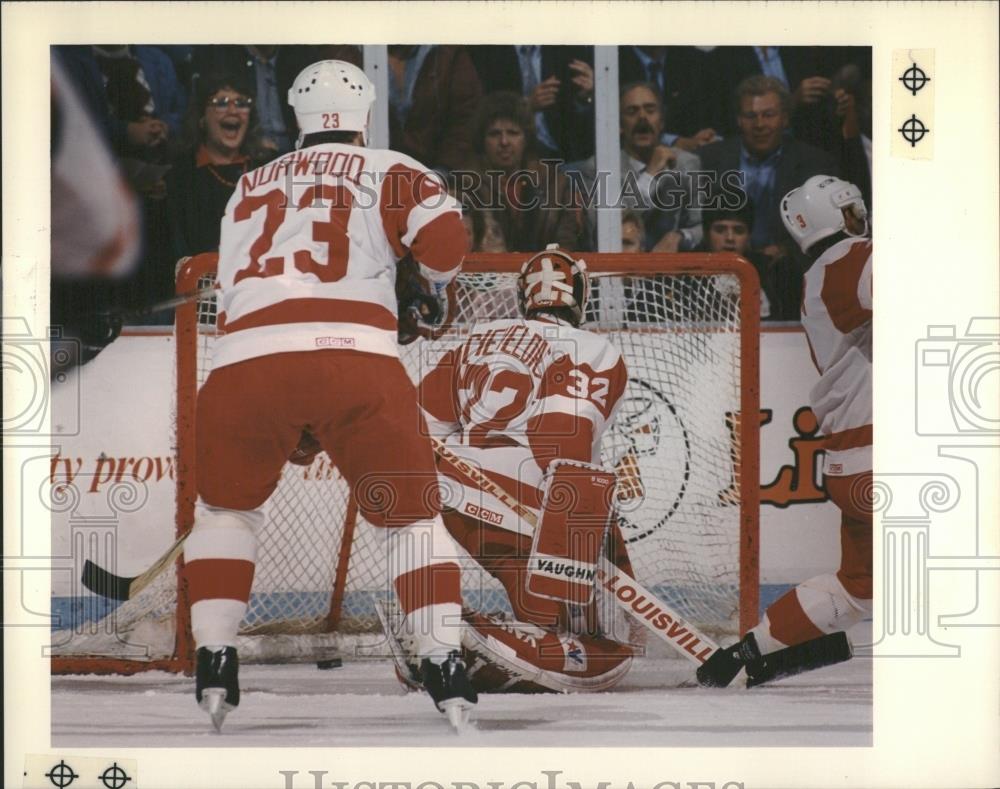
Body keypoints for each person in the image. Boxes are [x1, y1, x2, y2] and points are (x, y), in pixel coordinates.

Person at [182, 60, 476, 730]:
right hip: (355, 363)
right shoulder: (393, 167)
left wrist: (296, 409)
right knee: (409, 520)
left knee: (226, 513)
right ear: (366, 114)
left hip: (243, 368)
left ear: (295, 117)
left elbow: (242, 293)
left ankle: (216, 661)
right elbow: (447, 251)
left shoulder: (247, 183)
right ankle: (442, 660)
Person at [412, 245, 635, 694]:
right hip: (535, 501)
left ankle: (449, 639)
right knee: (609, 637)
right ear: (580, 296)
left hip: (457, 496)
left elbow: (420, 426)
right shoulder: (595, 348)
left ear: (524, 296)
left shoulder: (477, 338)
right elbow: (564, 442)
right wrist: (574, 534)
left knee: (530, 595)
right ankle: (554, 633)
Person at [701, 175, 872, 685]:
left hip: (855, 465)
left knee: (858, 588)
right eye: (854, 209)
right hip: (888, 454)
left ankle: (740, 657)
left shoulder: (822, 272)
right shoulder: (851, 259)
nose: (862, 217)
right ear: (842, 215)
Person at [571, 83, 703, 252]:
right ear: (619, 125)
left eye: (650, 110)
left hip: (672, 271)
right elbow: (606, 230)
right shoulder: (597, 168)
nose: (642, 117)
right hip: (619, 268)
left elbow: (701, 226)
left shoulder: (686, 163)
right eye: (632, 112)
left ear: (661, 122)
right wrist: (650, 175)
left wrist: (680, 236)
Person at [458, 92, 588, 252]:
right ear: (482, 140)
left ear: (526, 138)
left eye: (513, 133)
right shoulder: (464, 186)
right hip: (488, 274)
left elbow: (568, 242)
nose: (504, 142)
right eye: (494, 134)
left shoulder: (556, 184)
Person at [166, 71, 273, 261]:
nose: (233, 110)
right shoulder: (180, 176)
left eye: (241, 103)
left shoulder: (268, 169)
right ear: (202, 118)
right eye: (221, 103)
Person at [469, 45, 595, 162]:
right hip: (510, 158)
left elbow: (583, 125)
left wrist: (587, 98)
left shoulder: (566, 49)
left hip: (563, 156)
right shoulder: (487, 50)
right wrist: (525, 106)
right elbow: (482, 110)